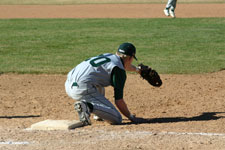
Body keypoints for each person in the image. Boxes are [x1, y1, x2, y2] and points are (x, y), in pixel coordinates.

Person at [65, 42, 141, 126]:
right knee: (117, 118)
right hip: (82, 88)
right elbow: (119, 101)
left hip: (69, 84)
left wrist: (138, 70)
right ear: (130, 58)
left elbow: (124, 66)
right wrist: (131, 116)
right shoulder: (119, 71)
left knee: (99, 87)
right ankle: (88, 106)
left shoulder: (108, 56)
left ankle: (98, 115)